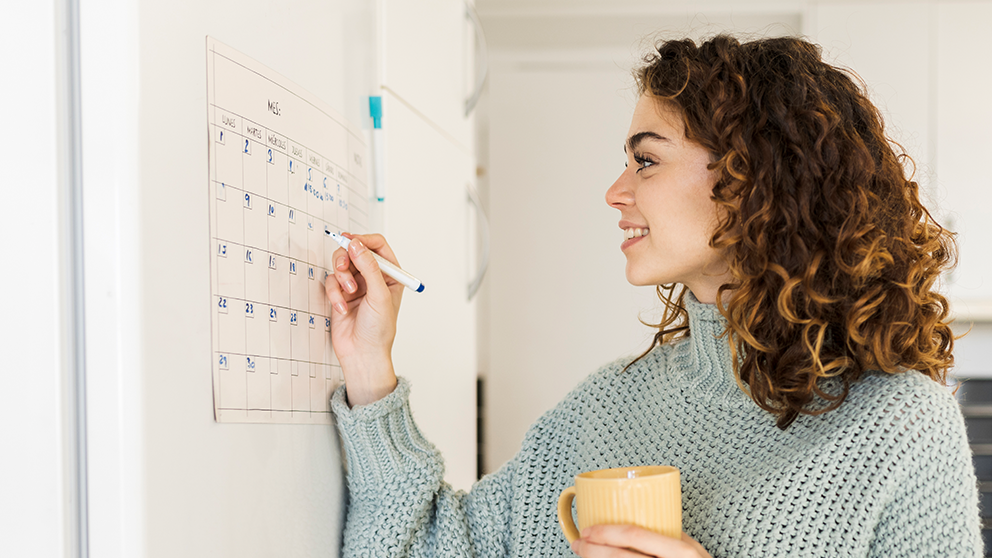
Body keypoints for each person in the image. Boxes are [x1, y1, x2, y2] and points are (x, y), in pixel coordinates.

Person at [324, 35, 983, 557]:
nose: (616, 191)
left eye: (646, 159)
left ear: (757, 178)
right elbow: (431, 549)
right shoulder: (605, 406)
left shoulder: (901, 423)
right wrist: (370, 371)